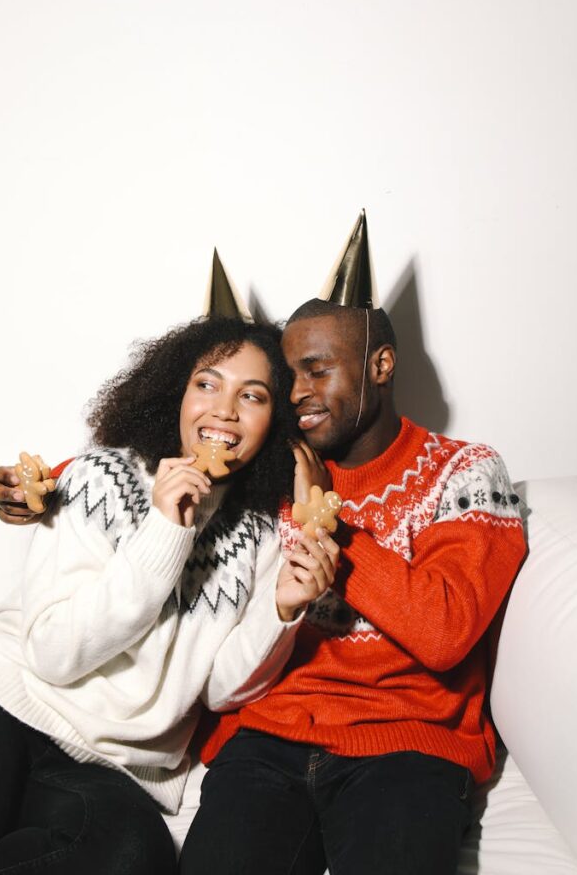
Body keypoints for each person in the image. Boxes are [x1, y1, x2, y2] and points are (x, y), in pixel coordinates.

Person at [0, 315, 340, 875]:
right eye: (206, 384)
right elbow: (54, 655)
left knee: (133, 855)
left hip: (115, 766)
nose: (224, 410)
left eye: (251, 396)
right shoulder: (101, 477)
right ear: (176, 394)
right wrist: (165, 531)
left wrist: (282, 610)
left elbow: (219, 689)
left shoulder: (262, 535)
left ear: (273, 420)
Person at [178, 297, 526, 875]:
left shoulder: (465, 471)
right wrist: (50, 490)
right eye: (289, 377)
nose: (297, 393)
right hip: (267, 739)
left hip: (408, 745)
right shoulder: (274, 465)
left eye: (318, 371)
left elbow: (445, 632)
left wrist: (328, 518)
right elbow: (164, 464)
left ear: (381, 366)